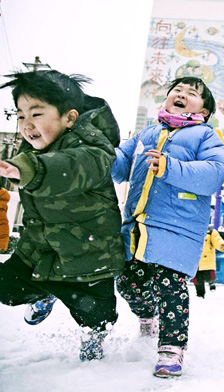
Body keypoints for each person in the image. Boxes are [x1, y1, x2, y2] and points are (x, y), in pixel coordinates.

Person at [0, 70, 125, 361]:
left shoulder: (93, 149)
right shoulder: (29, 151)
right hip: (40, 256)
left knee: (96, 320)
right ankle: (45, 293)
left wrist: (28, 170)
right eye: (20, 116)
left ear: (69, 118)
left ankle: (93, 358)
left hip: (91, 260)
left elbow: (69, 168)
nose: (27, 125)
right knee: (6, 290)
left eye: (37, 114)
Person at [112, 76, 224, 377]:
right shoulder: (146, 134)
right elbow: (120, 164)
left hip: (178, 229)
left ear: (203, 111)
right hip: (137, 228)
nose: (181, 95)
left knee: (170, 288)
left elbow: (214, 173)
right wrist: (98, 155)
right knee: (128, 283)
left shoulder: (205, 136)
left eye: (191, 93)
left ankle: (171, 348)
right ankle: (146, 314)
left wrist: (169, 167)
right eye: (176, 91)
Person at [194, 226, 224, 298]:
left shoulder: (211, 232)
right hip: (196, 259)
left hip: (207, 259)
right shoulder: (193, 231)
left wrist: (221, 245)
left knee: (209, 274)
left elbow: (217, 240)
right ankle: (200, 294)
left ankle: (211, 283)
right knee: (197, 279)